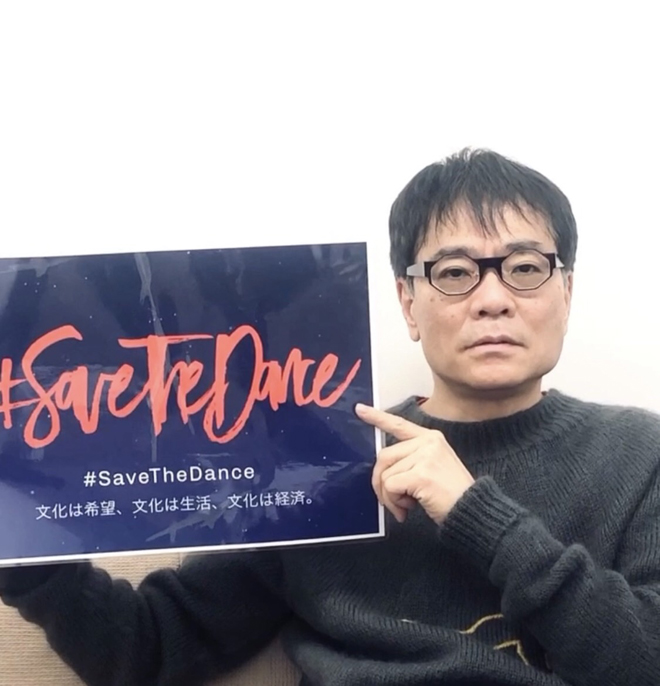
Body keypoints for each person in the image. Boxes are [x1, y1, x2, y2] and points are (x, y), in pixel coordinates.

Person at [2, 148, 660, 686]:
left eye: (524, 267)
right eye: (456, 272)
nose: (492, 299)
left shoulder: (639, 454)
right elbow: (146, 651)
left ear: (566, 290)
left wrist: (477, 514)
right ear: (408, 302)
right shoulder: (328, 466)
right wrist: (26, 551)